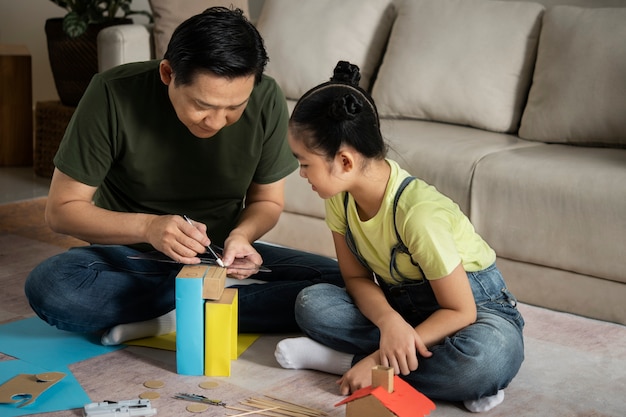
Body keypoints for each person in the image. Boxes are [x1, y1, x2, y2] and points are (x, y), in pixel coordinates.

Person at [24, 7, 342, 345]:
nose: (216, 121)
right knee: (53, 286)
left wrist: (242, 237)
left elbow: (267, 200)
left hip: (221, 257)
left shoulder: (266, 98)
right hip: (132, 258)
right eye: (202, 105)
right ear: (167, 73)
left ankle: (172, 314)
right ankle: (213, 304)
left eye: (234, 108)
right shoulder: (112, 93)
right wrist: (149, 227)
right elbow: (61, 210)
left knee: (344, 282)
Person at [274, 61, 525, 413]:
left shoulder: (417, 213)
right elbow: (357, 278)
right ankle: (441, 375)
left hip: (473, 311)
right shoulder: (339, 200)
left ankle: (347, 362)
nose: (301, 174)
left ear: (344, 161)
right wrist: (390, 323)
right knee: (313, 304)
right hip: (403, 311)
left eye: (304, 163)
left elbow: (461, 309)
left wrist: (379, 359)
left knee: (485, 359)